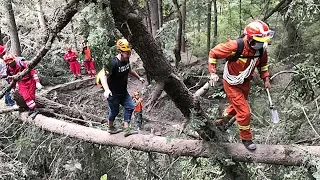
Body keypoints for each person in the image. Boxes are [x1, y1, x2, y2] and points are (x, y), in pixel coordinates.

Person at [208, 20, 273, 150]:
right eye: (259, 41)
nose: (262, 44)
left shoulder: (261, 50)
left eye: (263, 41)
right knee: (244, 112)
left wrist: (266, 78)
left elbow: (263, 65)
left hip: (245, 83)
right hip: (231, 83)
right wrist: (213, 72)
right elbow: (213, 53)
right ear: (250, 39)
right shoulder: (234, 46)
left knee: (236, 106)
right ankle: (246, 139)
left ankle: (219, 123)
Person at [97, 38, 145, 136]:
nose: (129, 54)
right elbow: (103, 75)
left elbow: (130, 70)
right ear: (121, 52)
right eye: (126, 53)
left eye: (129, 52)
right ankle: (110, 127)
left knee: (130, 106)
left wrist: (139, 78)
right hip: (113, 93)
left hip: (123, 91)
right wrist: (106, 90)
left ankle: (126, 130)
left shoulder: (126, 61)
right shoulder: (113, 63)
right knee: (114, 111)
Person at [3, 54, 43, 119]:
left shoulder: (21, 63)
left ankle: (32, 109)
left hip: (30, 80)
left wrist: (37, 82)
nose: (10, 64)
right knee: (26, 96)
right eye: (8, 63)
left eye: (11, 61)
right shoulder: (8, 68)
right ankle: (34, 109)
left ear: (14, 60)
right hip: (21, 83)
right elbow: (10, 78)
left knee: (31, 96)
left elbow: (32, 71)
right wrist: (13, 87)